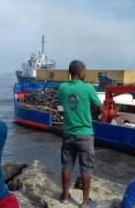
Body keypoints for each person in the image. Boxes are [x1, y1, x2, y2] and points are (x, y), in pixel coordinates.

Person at [58, 60, 102, 208]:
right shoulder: (88, 88)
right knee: (86, 168)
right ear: (79, 72)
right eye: (85, 70)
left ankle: (64, 197)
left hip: (68, 133)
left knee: (67, 166)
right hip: (85, 134)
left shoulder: (62, 87)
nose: (86, 73)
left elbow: (68, 104)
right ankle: (84, 202)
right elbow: (100, 107)